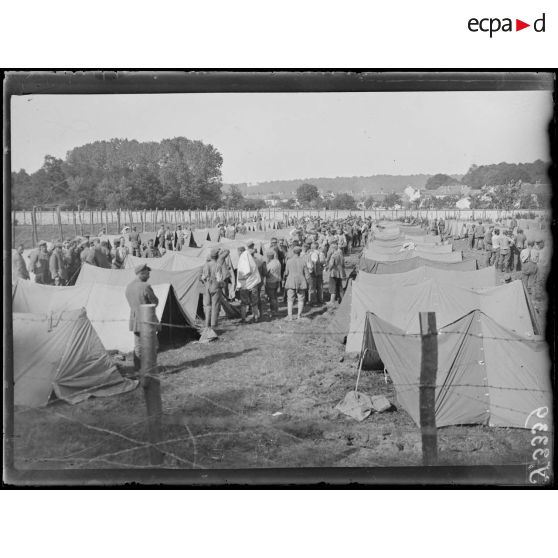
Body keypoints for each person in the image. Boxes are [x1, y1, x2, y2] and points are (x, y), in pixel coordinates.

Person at [125, 264, 160, 371]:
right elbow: (155, 302)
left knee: (138, 346)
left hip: (135, 319)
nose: (149, 275)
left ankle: (138, 369)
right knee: (153, 346)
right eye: (147, 273)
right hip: (147, 319)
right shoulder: (145, 286)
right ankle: (150, 368)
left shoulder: (129, 286)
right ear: (142, 273)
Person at [237, 241, 261, 323]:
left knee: (244, 303)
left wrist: (240, 282)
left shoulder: (243, 257)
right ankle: (256, 318)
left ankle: (243, 319)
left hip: (245, 285)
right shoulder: (254, 259)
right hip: (253, 283)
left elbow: (244, 272)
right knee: (254, 302)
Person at [283, 246, 309, 321]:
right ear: (300, 252)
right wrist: (308, 282)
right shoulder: (303, 261)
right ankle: (299, 316)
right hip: (301, 281)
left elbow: (286, 272)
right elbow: (306, 274)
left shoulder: (289, 261)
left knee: (290, 299)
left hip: (291, 281)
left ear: (293, 252)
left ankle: (290, 316)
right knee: (301, 299)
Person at [201, 247, 223, 330]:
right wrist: (222, 284)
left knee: (208, 306)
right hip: (215, 286)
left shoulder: (206, 265)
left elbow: (203, 277)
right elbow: (219, 278)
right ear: (217, 257)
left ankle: (207, 324)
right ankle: (213, 324)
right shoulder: (218, 265)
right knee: (215, 305)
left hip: (207, 286)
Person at [264, 250, 281, 317]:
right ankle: (276, 310)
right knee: (275, 297)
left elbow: (266, 273)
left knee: (272, 298)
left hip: (271, 282)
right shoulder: (277, 262)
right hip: (277, 281)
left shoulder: (270, 264)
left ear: (268, 256)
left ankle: (273, 311)